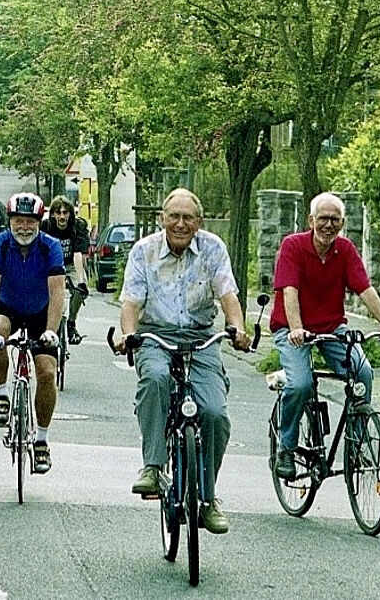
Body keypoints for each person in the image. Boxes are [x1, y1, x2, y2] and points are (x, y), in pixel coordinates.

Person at [112, 188, 250, 535]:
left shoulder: (213, 248)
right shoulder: (144, 251)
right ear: (162, 218)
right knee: (156, 378)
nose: (180, 223)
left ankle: (208, 499)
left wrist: (238, 328)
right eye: (174, 216)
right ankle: (153, 467)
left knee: (215, 414)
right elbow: (130, 302)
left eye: (188, 218)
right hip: (156, 336)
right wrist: (128, 334)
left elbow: (227, 293)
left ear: (199, 222)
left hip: (201, 339)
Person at [270, 192, 380, 480]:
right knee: (300, 384)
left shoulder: (345, 250)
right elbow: (289, 291)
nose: (328, 225)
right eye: (323, 218)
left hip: (332, 328)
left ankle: (356, 444)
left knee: (363, 373)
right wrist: (296, 328)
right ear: (311, 220)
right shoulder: (292, 246)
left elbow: (365, 288)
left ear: (343, 223)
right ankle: (285, 448)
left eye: (335, 220)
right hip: (292, 328)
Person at [0, 192, 64, 474]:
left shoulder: (50, 247)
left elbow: (57, 293)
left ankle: (41, 440)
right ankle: (2, 395)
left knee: (46, 371)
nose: (24, 227)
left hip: (42, 312)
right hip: (9, 308)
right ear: (10, 221)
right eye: (18, 221)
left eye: (30, 222)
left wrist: (52, 331)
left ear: (39, 223)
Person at [39, 195, 90, 344]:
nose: (62, 217)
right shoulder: (45, 227)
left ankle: (71, 323)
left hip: (71, 264)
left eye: (65, 213)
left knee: (80, 289)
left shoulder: (78, 226)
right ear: (53, 214)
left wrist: (80, 282)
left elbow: (78, 253)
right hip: (51, 264)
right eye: (58, 213)